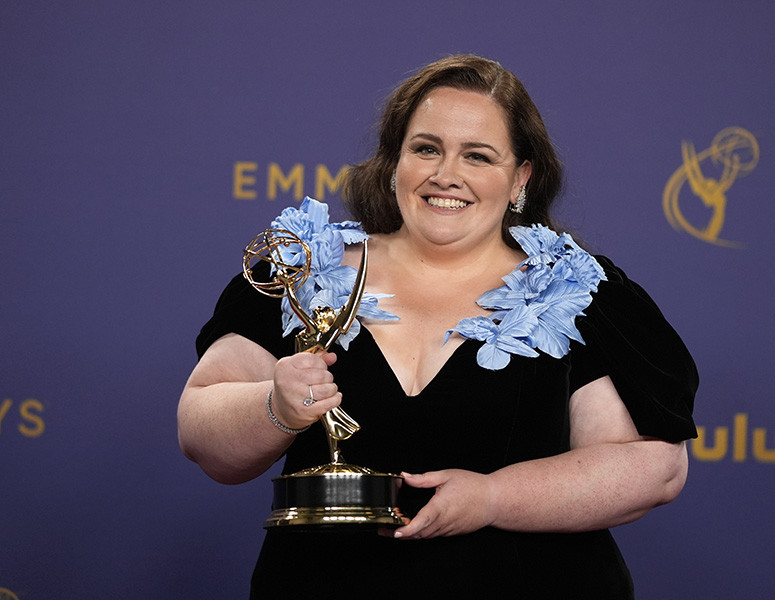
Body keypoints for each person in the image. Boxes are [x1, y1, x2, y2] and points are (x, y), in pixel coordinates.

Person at [178, 54, 698, 599]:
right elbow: (200, 430)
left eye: (478, 156)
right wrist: (276, 407)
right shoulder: (301, 267)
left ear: (520, 178)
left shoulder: (581, 291)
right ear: (395, 161)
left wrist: (494, 498)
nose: (446, 175)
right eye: (426, 149)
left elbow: (653, 467)